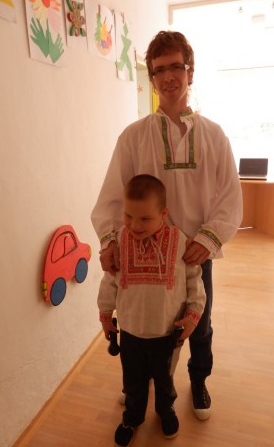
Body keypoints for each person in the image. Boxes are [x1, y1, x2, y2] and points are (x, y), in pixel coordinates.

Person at [91, 30, 243, 422]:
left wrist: (207, 241)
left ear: (190, 72)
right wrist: (110, 242)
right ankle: (137, 386)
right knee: (141, 327)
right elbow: (110, 197)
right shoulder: (133, 137)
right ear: (152, 79)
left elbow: (229, 198)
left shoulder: (213, 136)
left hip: (193, 253)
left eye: (176, 66)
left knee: (198, 325)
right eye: (159, 70)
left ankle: (199, 379)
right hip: (141, 253)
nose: (168, 76)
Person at [98, 174, 206, 446]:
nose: (134, 225)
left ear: (163, 213)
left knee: (165, 378)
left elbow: (194, 281)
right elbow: (110, 280)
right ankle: (132, 417)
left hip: (167, 332)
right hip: (131, 332)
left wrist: (193, 316)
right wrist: (104, 314)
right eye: (128, 216)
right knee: (133, 381)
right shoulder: (119, 241)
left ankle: (164, 409)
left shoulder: (180, 241)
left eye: (145, 219)